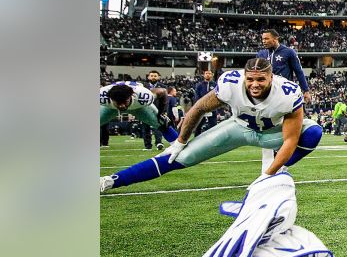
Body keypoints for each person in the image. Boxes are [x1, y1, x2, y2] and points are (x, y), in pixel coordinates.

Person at [100, 58, 323, 192]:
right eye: (251, 79)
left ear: (271, 78)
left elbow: (291, 139)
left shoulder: (288, 93)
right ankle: (111, 181)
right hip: (238, 128)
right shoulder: (230, 83)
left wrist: (267, 175)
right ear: (244, 77)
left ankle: (278, 170)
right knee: (175, 157)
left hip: (272, 134)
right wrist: (179, 141)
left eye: (261, 80)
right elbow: (198, 108)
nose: (255, 84)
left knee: (313, 131)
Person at [99, 80, 178, 149]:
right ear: (110, 98)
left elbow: (163, 91)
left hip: (138, 107)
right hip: (111, 108)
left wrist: (161, 112)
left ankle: (178, 145)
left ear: (132, 95)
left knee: (162, 122)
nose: (121, 105)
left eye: (124, 101)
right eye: (118, 102)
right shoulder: (101, 95)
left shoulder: (143, 96)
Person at [257, 30, 310, 102]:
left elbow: (298, 71)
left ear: (275, 39)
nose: (263, 41)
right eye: (262, 39)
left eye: (266, 39)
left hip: (284, 92)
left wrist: (306, 91)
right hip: (266, 92)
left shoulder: (289, 52)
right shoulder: (261, 54)